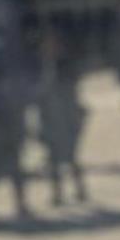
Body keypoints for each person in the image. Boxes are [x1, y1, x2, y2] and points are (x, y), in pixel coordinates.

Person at [34, 42, 88, 209]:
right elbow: (40, 100)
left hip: (66, 119)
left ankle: (79, 190)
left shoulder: (66, 68)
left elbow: (72, 95)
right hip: (51, 120)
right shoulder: (41, 69)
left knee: (71, 158)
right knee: (53, 161)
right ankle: (57, 194)